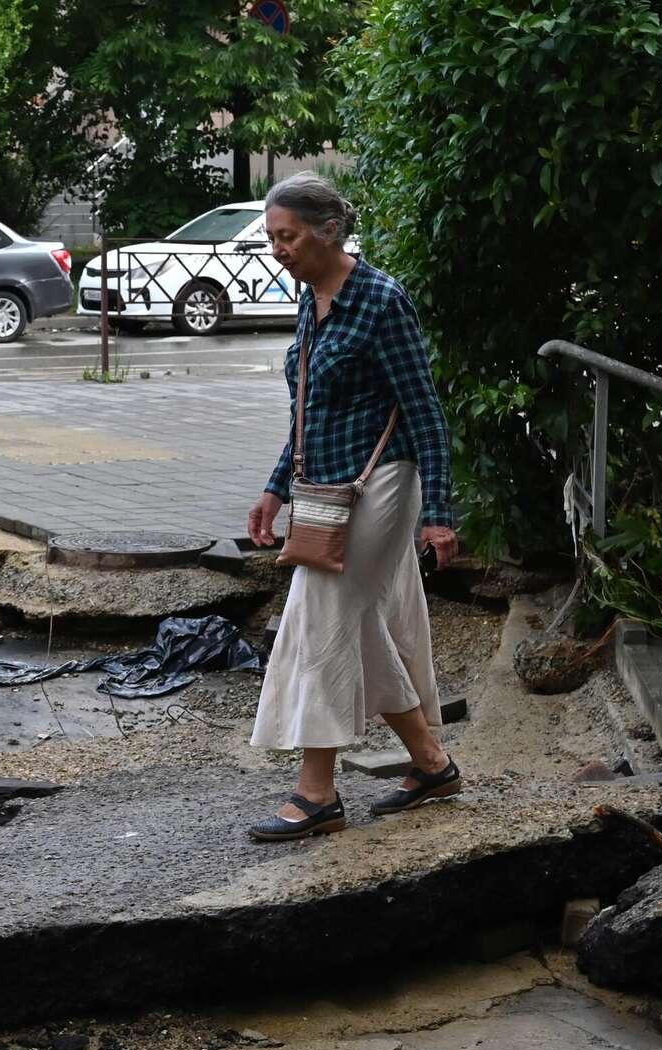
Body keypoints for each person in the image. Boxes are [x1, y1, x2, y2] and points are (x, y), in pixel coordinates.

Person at [246, 172, 461, 842]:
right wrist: (275, 487)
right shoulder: (313, 298)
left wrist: (440, 512)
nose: (278, 249)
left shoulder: (380, 299)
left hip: (385, 484)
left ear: (329, 230)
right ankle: (431, 763)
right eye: (272, 237)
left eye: (288, 236)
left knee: (322, 611)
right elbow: (307, 412)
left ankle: (317, 791)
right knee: (356, 621)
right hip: (328, 490)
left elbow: (425, 410)